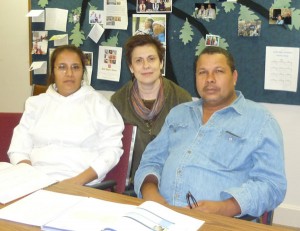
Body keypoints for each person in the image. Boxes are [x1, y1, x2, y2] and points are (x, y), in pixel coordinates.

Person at [134, 46, 287, 218]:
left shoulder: (260, 121)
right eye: (202, 72)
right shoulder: (179, 114)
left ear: (234, 77)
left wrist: (225, 207)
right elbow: (151, 160)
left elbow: (272, 185)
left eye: (219, 71)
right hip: (159, 216)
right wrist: (149, 192)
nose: (210, 79)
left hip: (216, 221)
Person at [8, 45, 124, 186]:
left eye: (75, 67)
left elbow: (111, 150)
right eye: (62, 67)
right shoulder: (35, 104)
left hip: (81, 186)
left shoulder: (99, 104)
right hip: (34, 183)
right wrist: (31, 178)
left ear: (83, 72)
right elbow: (18, 149)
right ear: (53, 72)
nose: (69, 73)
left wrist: (75, 182)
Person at [111, 35, 192, 194]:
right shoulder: (118, 101)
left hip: (171, 187)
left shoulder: (182, 99)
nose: (146, 66)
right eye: (139, 61)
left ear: (161, 63)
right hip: (130, 187)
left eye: (151, 59)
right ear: (131, 67)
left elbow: (187, 149)